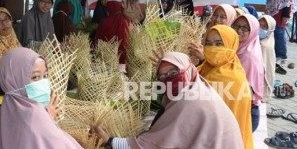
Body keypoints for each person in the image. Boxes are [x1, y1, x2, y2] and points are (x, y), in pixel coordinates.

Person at [92, 52, 244, 149]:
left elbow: (154, 145)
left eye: (174, 73)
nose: (169, 80)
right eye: (163, 77)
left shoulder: (189, 102)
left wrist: (110, 141)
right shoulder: (197, 86)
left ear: (190, 70)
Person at [0, 47, 82, 149]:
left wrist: (46, 117)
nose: (43, 83)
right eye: (35, 77)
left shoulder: (0, 114)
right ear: (15, 80)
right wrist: (47, 119)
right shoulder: (35, 114)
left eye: (45, 76)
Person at [198, 25, 254, 148]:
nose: (212, 49)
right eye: (208, 43)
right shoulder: (206, 67)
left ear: (231, 45)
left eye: (219, 44)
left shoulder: (234, 79)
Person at [232, 14, 265, 132]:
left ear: (253, 31)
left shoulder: (249, 56)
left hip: (246, 110)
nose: (239, 30)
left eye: (245, 28)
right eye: (236, 26)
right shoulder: (239, 47)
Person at [265, 0, 297, 64]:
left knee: (279, 32)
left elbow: (289, 0)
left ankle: (282, 56)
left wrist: (285, 15)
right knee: (273, 32)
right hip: (273, 10)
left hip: (282, 11)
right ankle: (275, 53)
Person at [96, 1, 132, 72]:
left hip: (109, 58)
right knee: (122, 76)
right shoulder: (127, 20)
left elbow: (98, 39)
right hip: (125, 56)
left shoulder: (104, 22)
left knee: (110, 77)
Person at [259, 14, 276, 102]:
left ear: (271, 29)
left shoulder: (266, 44)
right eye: (260, 25)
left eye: (265, 27)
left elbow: (267, 67)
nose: (261, 29)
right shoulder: (257, 39)